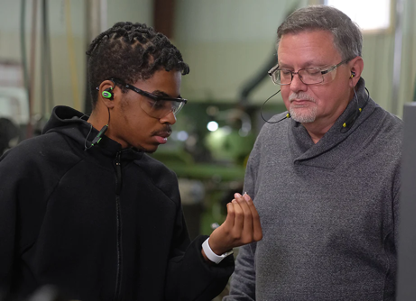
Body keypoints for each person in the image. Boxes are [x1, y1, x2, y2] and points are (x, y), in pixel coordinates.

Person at [0, 22, 262, 301]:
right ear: (108, 93)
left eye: (174, 104)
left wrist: (215, 248)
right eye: (157, 102)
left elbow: (172, 291)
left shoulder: (160, 184)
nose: (170, 117)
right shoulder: (29, 169)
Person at [224, 5, 402, 301]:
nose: (295, 86)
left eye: (313, 72)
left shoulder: (398, 150)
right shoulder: (270, 138)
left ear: (353, 71)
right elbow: (250, 258)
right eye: (285, 72)